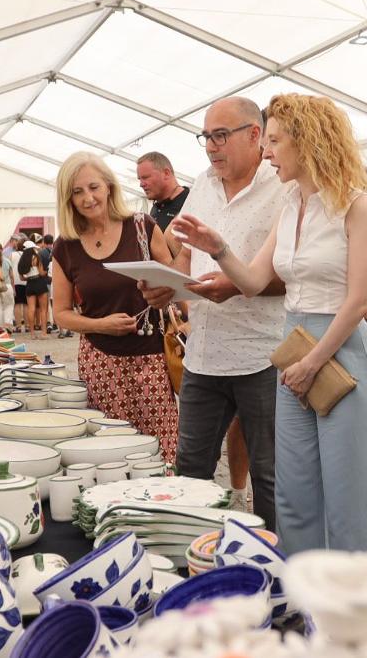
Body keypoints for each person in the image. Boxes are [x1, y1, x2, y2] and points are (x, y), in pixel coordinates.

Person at [170, 93, 367, 554]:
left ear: (307, 141)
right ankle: (298, 578)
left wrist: (313, 362)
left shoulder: (358, 207)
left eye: (274, 141)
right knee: (293, 488)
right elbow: (252, 280)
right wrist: (218, 248)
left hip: (338, 349)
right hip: (294, 349)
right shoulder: (291, 204)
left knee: (348, 489)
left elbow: (358, 302)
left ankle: (352, 587)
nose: (267, 152)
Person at [140, 96, 288, 529]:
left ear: (255, 134)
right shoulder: (203, 184)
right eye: (205, 137)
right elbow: (185, 254)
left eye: (220, 136)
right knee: (191, 468)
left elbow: (294, 272)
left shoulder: (283, 184)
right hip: (203, 353)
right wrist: (168, 288)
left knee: (270, 474)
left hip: (264, 354)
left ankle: (270, 558)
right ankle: (194, 551)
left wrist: (238, 285)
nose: (210, 147)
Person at [51, 152, 179, 462]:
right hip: (100, 363)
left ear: (109, 186)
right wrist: (101, 325)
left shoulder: (142, 226)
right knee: (110, 454)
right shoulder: (66, 245)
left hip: (150, 359)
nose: (88, 198)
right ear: (68, 199)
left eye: (94, 187)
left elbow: (175, 283)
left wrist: (169, 299)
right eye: (77, 192)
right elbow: (61, 314)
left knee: (161, 450)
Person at [137, 152, 190, 232]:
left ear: (166, 173)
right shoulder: (156, 207)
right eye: (140, 179)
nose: (141, 184)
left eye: (146, 177)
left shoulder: (190, 202)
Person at [20, 243, 49, 339]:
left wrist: (29, 277)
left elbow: (22, 278)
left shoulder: (22, 261)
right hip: (39, 282)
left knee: (31, 309)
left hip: (29, 284)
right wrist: (46, 271)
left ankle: (32, 333)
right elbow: (41, 273)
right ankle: (43, 333)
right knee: (43, 309)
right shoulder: (36, 257)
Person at [0, 241, 15, 329]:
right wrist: (13, 288)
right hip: (7, 286)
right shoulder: (7, 261)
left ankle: (0, 327)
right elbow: (12, 277)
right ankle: (8, 324)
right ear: (2, 249)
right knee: (9, 306)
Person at [39, 234, 55, 334]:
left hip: (44, 280)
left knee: (46, 304)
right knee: (55, 303)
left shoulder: (41, 253)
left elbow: (40, 267)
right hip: (55, 281)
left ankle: (48, 323)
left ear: (44, 242)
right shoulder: (56, 251)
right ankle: (56, 323)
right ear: (52, 241)